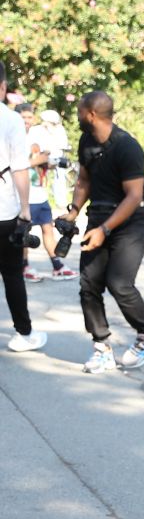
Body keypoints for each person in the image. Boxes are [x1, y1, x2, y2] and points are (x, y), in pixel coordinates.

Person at [58, 90, 144, 373]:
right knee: (88, 284)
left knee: (120, 283)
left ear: (91, 114)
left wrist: (104, 229)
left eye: (79, 110)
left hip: (131, 222)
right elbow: (84, 180)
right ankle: (101, 347)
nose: (77, 115)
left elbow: (133, 196)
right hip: (98, 218)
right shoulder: (87, 141)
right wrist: (74, 210)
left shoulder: (127, 147)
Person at [0, 61, 47, 352]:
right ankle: (24, 333)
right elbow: (19, 167)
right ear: (3, 87)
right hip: (4, 210)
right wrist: (26, 209)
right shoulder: (10, 119)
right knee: (12, 272)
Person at [15, 103, 78, 281]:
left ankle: (57, 265)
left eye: (29, 117)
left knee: (47, 229)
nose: (27, 121)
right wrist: (38, 161)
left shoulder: (35, 137)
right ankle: (24, 266)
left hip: (40, 192)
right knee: (24, 232)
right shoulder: (13, 138)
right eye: (23, 117)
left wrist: (51, 162)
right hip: (23, 194)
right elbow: (15, 165)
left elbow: (42, 160)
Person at [39, 109, 70, 209]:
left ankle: (61, 202)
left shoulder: (59, 130)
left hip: (57, 158)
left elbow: (63, 145)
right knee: (43, 180)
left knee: (60, 180)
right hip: (45, 159)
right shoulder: (41, 130)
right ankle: (44, 200)